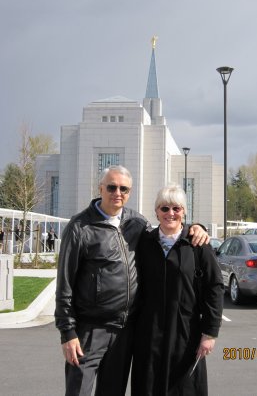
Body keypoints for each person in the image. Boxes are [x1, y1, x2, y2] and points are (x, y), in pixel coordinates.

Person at [55, 165, 208, 396]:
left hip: (125, 331)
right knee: (79, 391)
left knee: (112, 391)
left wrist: (195, 228)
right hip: (90, 330)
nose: (118, 193)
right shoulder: (79, 228)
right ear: (100, 188)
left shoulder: (136, 222)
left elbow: (167, 229)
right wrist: (68, 332)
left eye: (124, 189)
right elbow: (64, 283)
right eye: (112, 187)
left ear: (130, 192)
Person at [131, 184, 224, 396]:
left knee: (184, 389)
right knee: (149, 386)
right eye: (164, 208)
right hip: (148, 332)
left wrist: (210, 333)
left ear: (184, 211)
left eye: (176, 208)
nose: (170, 213)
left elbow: (214, 288)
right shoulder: (144, 242)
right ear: (156, 211)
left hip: (186, 333)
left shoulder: (197, 244)